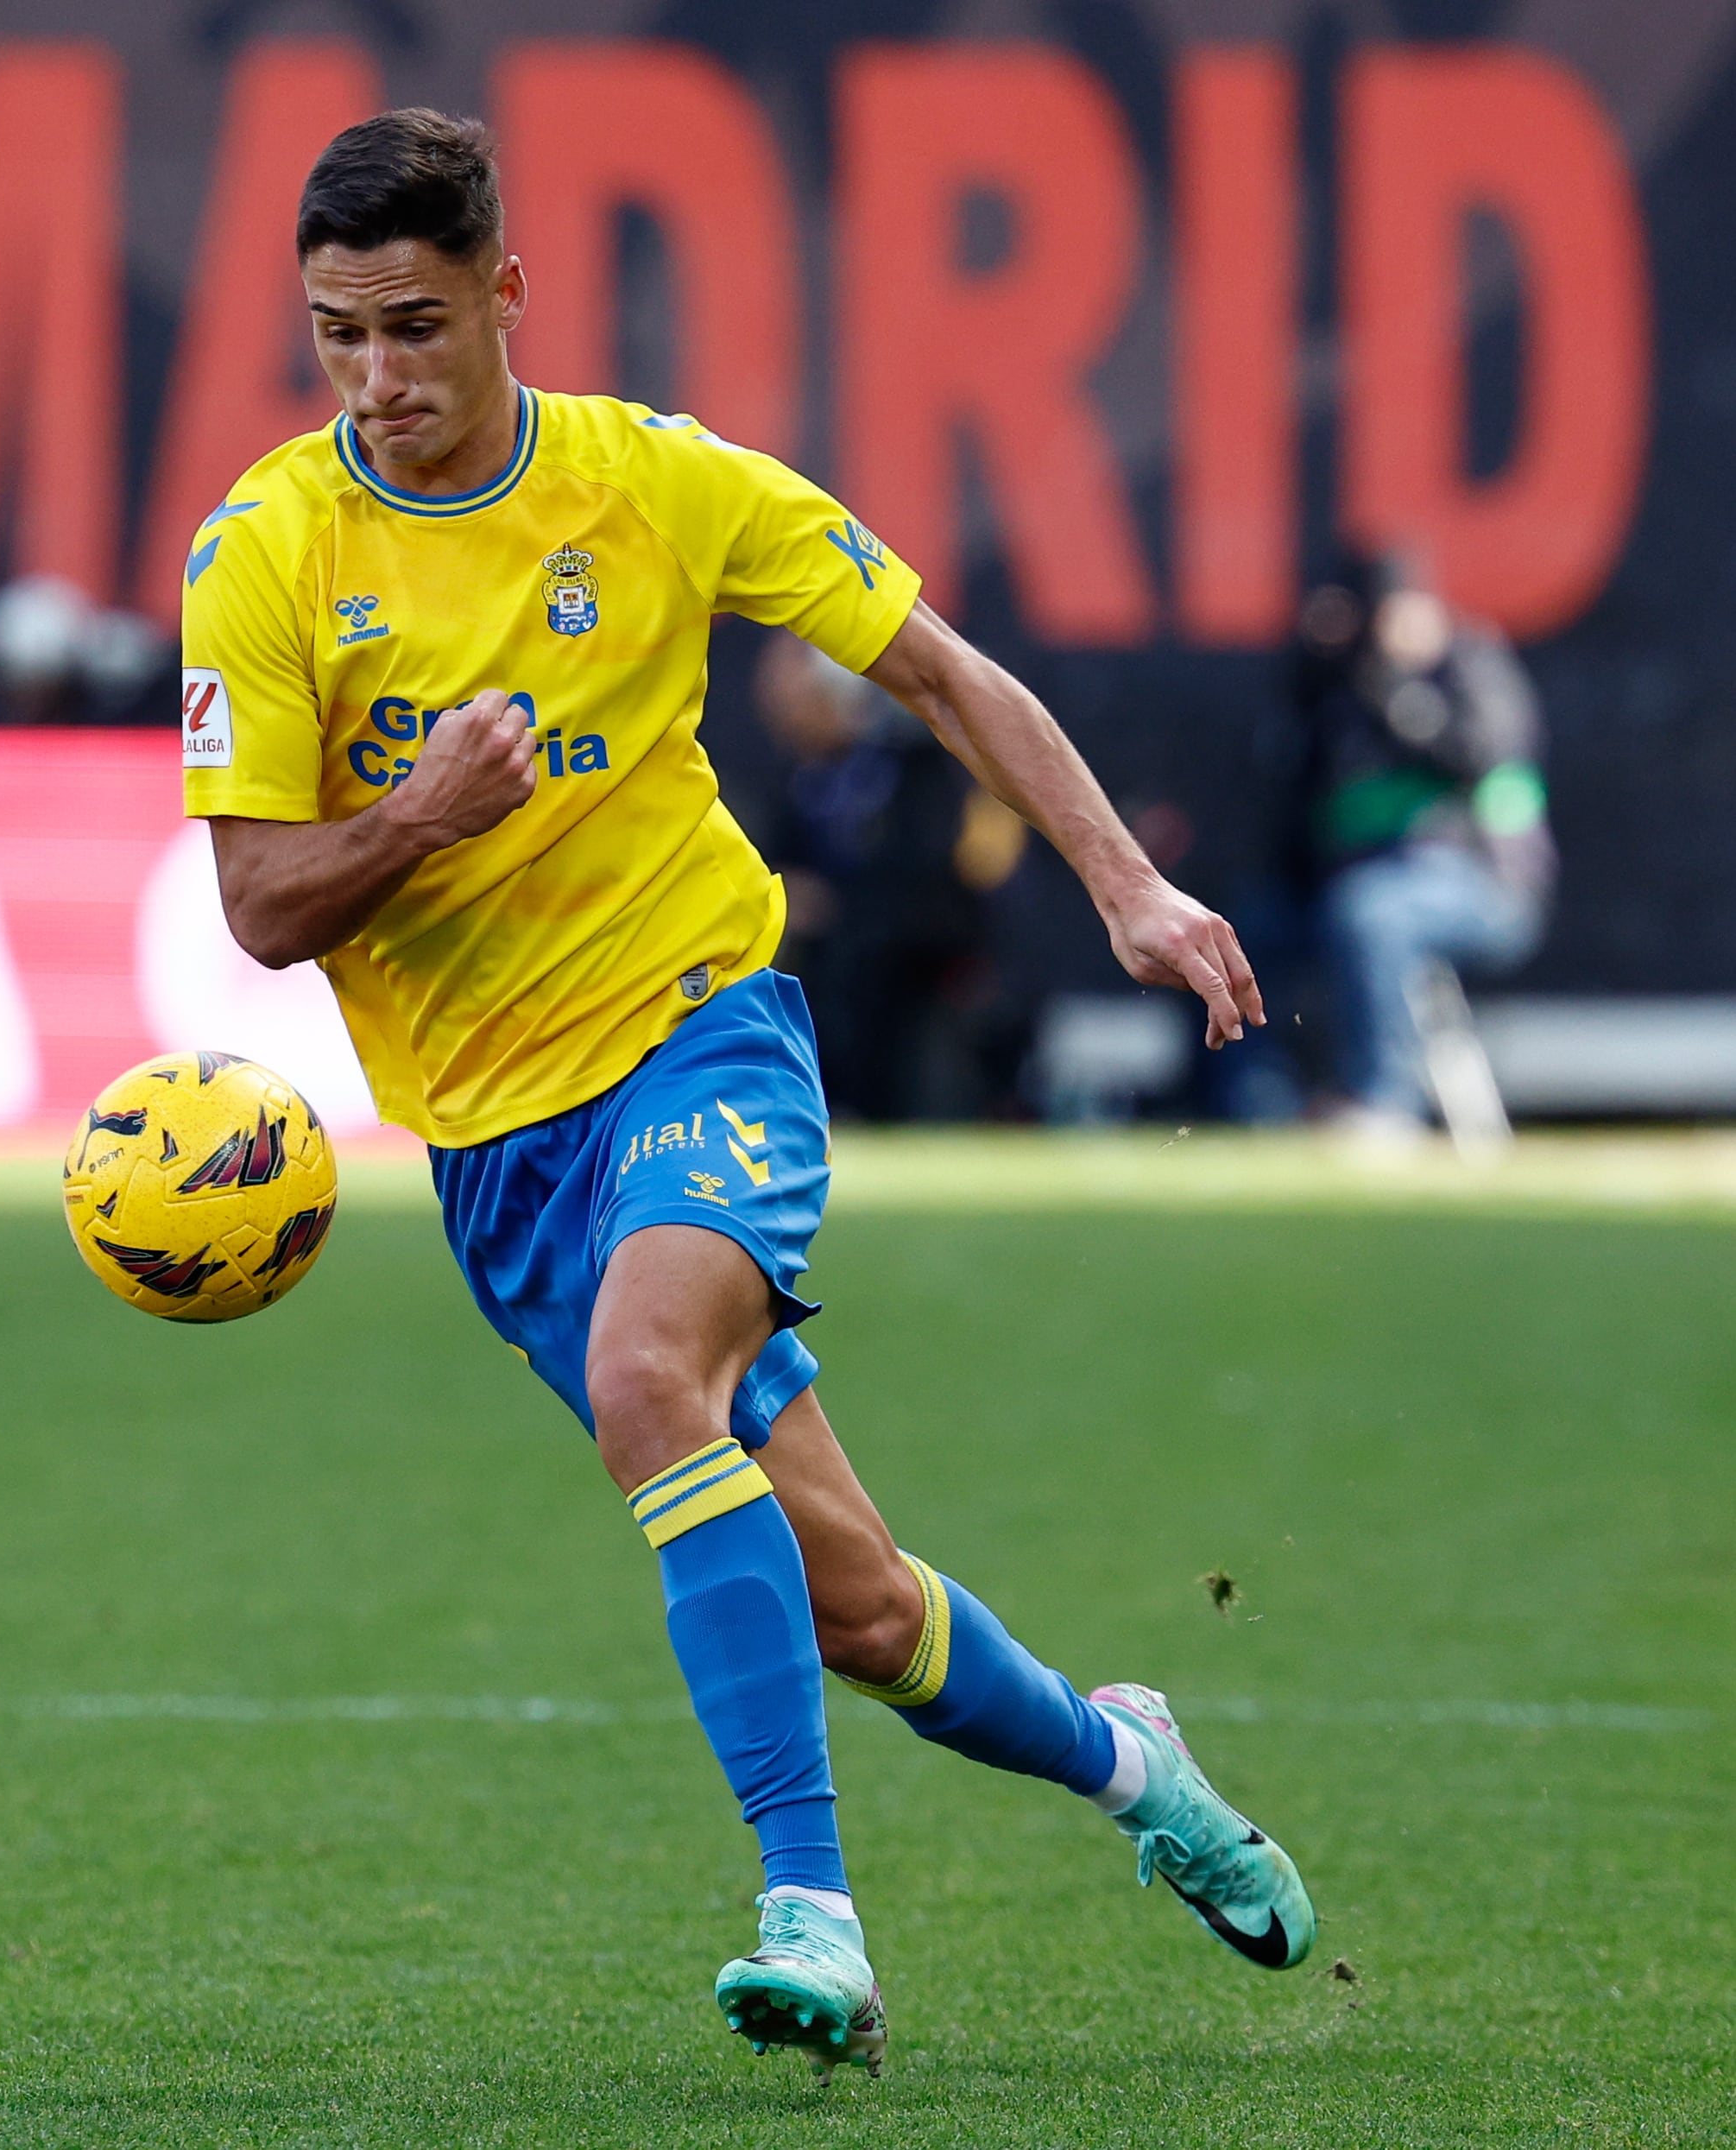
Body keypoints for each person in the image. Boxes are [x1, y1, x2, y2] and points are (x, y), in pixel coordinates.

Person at [179, 113, 1311, 2074]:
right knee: (865, 1609)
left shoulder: (656, 485)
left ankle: (811, 1908)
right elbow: (263, 905)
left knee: (647, 1379)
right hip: (497, 1148)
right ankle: (1142, 1769)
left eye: (417, 327)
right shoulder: (263, 547)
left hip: (702, 1030)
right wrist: (426, 810)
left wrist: (1124, 882)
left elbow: (943, 672)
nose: (378, 380)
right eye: (336, 333)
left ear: (506, 294)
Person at [1292, 558, 1553, 1134]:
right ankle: (1256, 1107)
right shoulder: (1346, 689)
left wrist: (1402, 697)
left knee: (1373, 916)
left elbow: (1482, 755)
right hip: (1360, 883)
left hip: (1484, 886)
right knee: (1232, 934)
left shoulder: (1473, 669)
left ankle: (1385, 1102)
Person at [748, 633, 1028, 1121]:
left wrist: (838, 906)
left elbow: (935, 882)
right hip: (833, 970)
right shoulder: (801, 782)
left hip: (909, 970)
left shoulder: (912, 770)